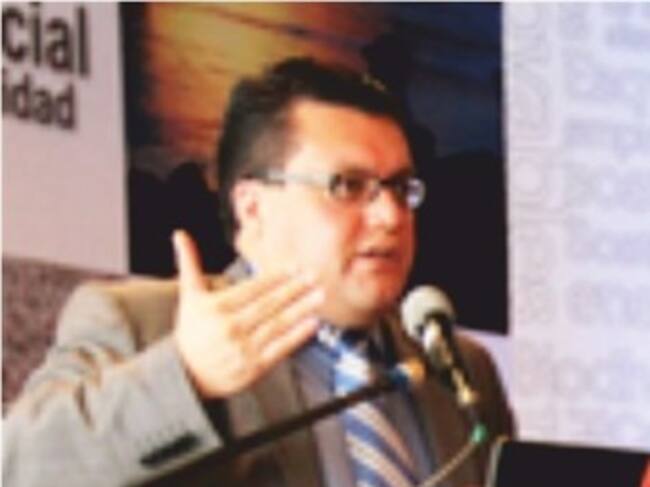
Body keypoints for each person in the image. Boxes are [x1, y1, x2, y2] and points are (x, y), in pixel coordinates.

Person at [4, 57, 514, 487]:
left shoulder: (459, 367)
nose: (390, 216)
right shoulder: (143, 325)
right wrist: (186, 376)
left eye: (400, 188)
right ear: (252, 207)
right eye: (347, 185)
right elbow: (20, 468)